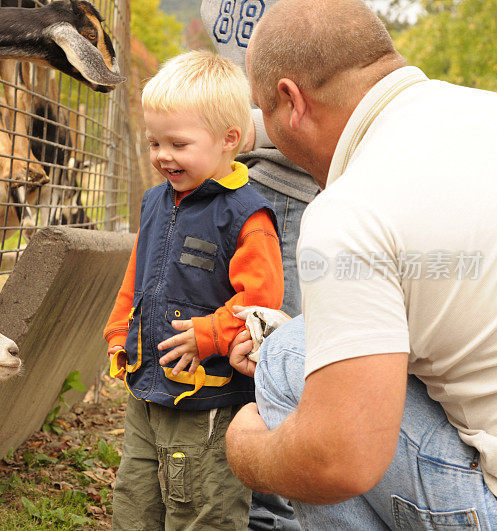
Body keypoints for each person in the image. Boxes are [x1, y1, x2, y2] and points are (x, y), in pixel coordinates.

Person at [224, 0, 497, 528]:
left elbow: (340, 461)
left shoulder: (348, 211)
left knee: (289, 354)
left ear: (291, 101)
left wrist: (245, 446)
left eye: (261, 110)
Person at [103, 50, 284, 530]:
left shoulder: (246, 215)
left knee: (202, 504)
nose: (163, 155)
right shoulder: (155, 201)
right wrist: (121, 330)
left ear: (230, 139)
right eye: (154, 142)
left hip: (210, 397)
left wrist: (211, 334)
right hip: (147, 389)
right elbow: (137, 275)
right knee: (134, 496)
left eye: (178, 144)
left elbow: (261, 301)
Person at [201, 2, 312, 528]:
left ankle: (272, 516)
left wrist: (235, 129)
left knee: (272, 353)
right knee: (241, 347)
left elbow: (319, 99)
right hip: (234, 179)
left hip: (289, 183)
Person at [201, 0, 319, 320]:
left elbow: (329, 100)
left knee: (276, 326)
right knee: (236, 322)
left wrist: (251, 129)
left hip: (288, 181)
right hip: (233, 174)